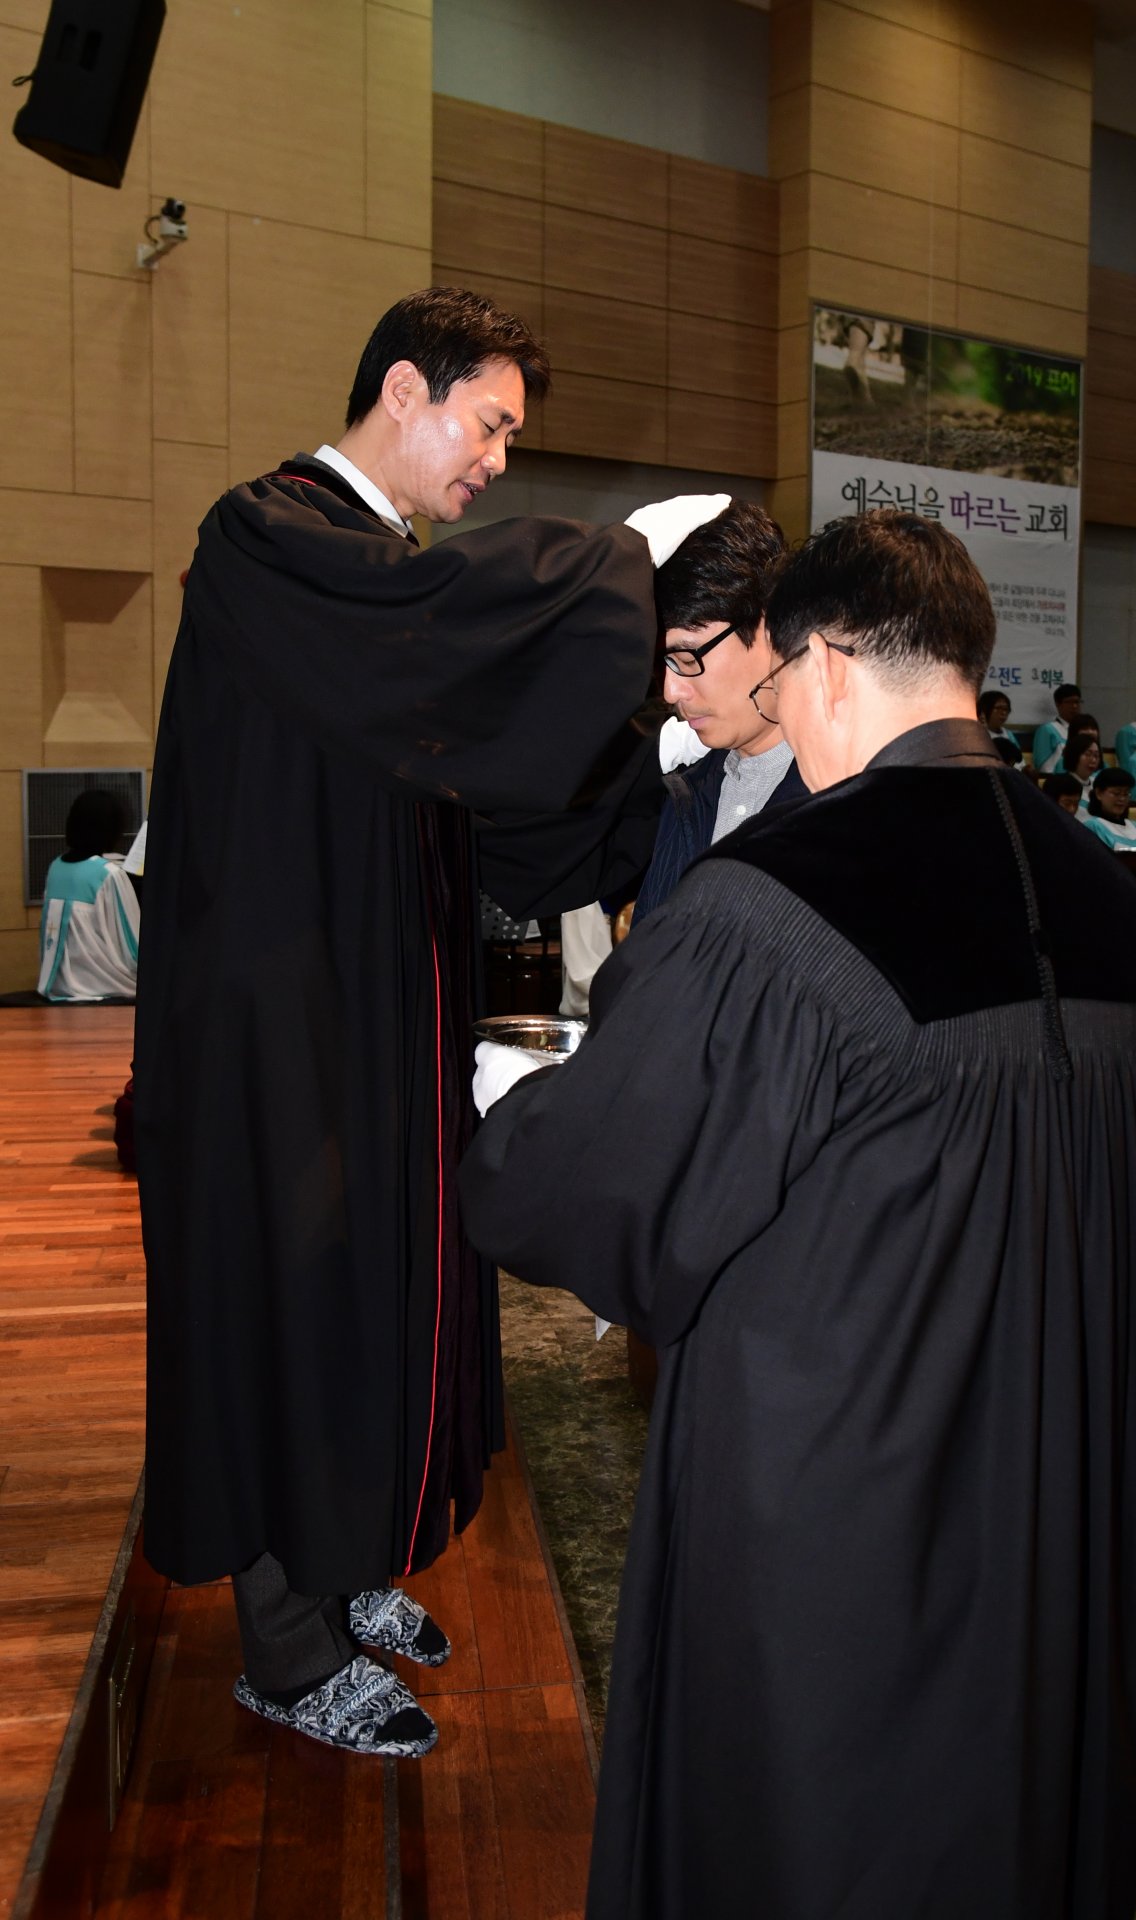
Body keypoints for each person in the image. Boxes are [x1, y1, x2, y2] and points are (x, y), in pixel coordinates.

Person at [460, 508, 1136, 1920]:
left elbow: (592, 1192)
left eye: (781, 682)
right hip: (1053, 1485)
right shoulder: (1101, 894)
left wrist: (513, 1107)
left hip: (853, 1505)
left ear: (830, 664)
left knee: (825, 1838)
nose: (780, 718)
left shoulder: (783, 905)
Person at [134, 284, 728, 1760]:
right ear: (405, 388)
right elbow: (446, 629)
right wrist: (617, 567)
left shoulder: (382, 585)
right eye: (490, 424)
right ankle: (284, 1645)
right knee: (293, 1302)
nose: (499, 462)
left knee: (379, 1291)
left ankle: (344, 1562)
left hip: (382, 1016)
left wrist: (633, 744)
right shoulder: (267, 536)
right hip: (281, 1036)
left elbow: (480, 791)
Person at [632, 502, 804, 922]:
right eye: (662, 665)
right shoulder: (685, 790)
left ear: (770, 627)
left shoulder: (844, 799)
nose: (671, 691)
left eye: (687, 658)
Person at [37, 789, 140, 1001]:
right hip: (100, 983)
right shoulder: (108, 875)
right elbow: (132, 941)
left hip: (57, 984)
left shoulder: (55, 867)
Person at [1079, 766, 1136, 851]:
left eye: (1126, 794)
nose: (1122, 799)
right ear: (1099, 793)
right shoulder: (1093, 827)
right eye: (1116, 793)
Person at [1031, 680, 1081, 771]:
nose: (1074, 706)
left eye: (1077, 702)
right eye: (1069, 702)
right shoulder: (1047, 730)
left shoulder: (1083, 730)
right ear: (1058, 704)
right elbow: (1043, 767)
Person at [977, 687, 1021, 752]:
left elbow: (1018, 756)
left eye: (1006, 709)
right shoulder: (977, 734)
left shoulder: (1008, 734)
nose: (1003, 713)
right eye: (998, 708)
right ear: (984, 710)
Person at [1061, 731, 1101, 799]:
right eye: (1088, 754)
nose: (1093, 760)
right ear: (1074, 755)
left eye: (1096, 755)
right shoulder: (1062, 785)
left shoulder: (1098, 785)